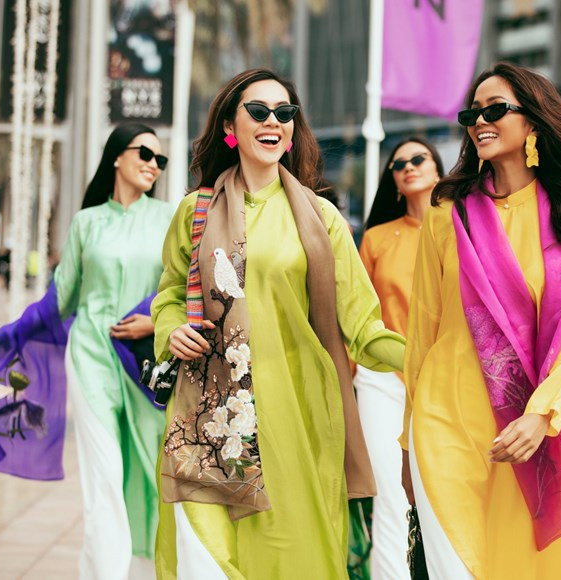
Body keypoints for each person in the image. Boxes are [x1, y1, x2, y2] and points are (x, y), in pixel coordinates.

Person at [150, 68, 405, 579]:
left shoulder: (321, 218)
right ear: (230, 126)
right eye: (259, 111)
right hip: (208, 419)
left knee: (291, 560)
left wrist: (433, 355)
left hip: (296, 418)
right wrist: (170, 329)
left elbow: (363, 327)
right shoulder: (196, 211)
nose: (274, 121)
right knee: (206, 561)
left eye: (284, 112)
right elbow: (171, 294)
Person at [401, 62, 561, 579]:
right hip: (445, 421)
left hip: (526, 428)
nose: (479, 121)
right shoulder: (448, 213)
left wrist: (540, 416)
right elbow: (422, 332)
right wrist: (407, 444)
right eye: (472, 113)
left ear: (533, 120)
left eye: (495, 110)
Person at [0, 123, 174, 580]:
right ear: (116, 155)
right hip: (91, 358)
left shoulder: (168, 218)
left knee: (148, 470)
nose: (153, 165)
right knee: (104, 475)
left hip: (145, 365)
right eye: (144, 153)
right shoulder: (87, 223)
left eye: (160, 160)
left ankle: (141, 571)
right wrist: (1, 337)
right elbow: (58, 301)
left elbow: (181, 288)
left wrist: (156, 321)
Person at [357, 137, 444, 580]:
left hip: (444, 381)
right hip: (382, 380)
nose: (408, 166)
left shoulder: (461, 229)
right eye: (398, 164)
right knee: (392, 494)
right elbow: (355, 316)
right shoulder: (376, 238)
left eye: (418, 159)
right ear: (392, 180)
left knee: (441, 494)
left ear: (438, 169)